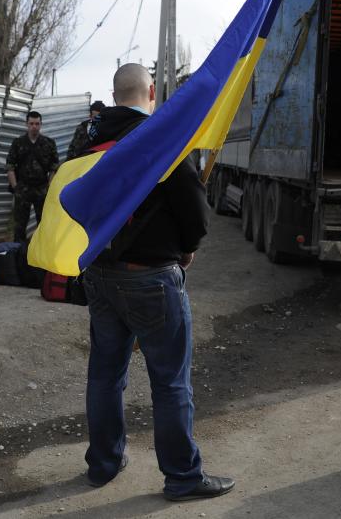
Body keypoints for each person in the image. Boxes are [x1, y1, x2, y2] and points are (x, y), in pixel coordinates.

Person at [81, 63, 234, 501]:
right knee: (170, 382)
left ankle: (103, 465)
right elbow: (194, 206)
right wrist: (188, 245)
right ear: (151, 91)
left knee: (105, 374)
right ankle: (183, 478)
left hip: (100, 273)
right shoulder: (161, 137)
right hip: (151, 277)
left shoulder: (87, 139)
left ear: (114, 94)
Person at [6, 111, 59, 243]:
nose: (34, 126)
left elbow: (55, 167)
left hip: (41, 188)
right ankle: (19, 257)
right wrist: (15, 187)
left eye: (37, 124)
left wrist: (49, 186)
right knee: (19, 226)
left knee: (44, 224)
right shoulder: (18, 143)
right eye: (31, 124)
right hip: (23, 188)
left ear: (41, 125)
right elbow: (10, 166)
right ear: (26, 124)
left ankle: (42, 254)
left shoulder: (49, 143)